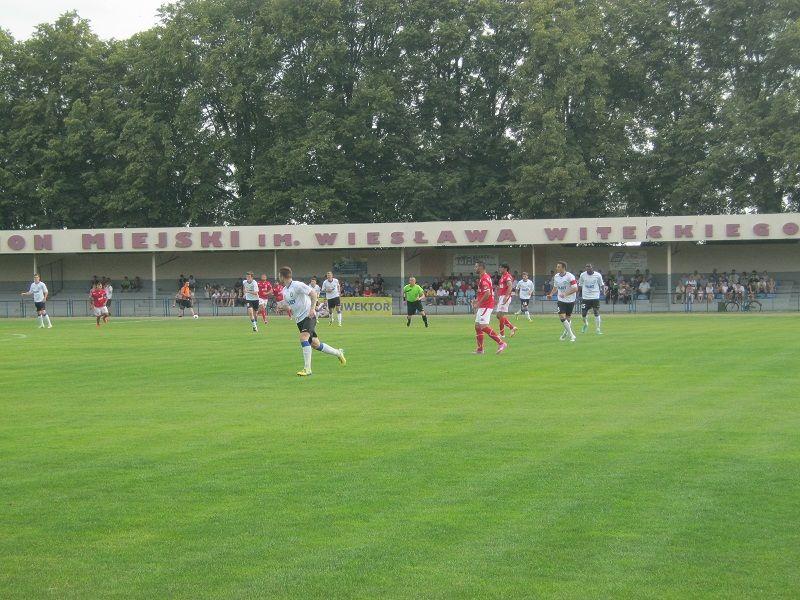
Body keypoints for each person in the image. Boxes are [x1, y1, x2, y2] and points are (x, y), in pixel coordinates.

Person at [278, 266, 346, 376]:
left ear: (282, 276)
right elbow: (290, 307)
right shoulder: (284, 290)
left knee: (303, 338)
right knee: (315, 344)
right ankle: (338, 353)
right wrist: (282, 308)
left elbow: (313, 294)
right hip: (299, 319)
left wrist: (312, 309)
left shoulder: (297, 285)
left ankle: (307, 369)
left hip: (308, 316)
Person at [471, 261, 507, 355]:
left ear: (481, 267)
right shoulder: (483, 278)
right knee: (477, 326)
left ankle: (501, 343)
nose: (475, 268)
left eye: (476, 267)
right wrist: (476, 300)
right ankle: (480, 349)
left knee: (483, 326)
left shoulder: (484, 279)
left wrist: (478, 303)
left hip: (486, 305)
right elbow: (483, 292)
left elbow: (487, 293)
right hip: (484, 305)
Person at [546, 261, 578, 342]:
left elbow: (575, 288)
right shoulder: (556, 276)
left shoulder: (570, 276)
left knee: (568, 319)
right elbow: (555, 287)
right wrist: (551, 294)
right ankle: (572, 335)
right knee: (562, 317)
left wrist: (565, 294)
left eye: (558, 267)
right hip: (561, 300)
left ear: (563, 268)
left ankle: (565, 333)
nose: (557, 268)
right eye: (557, 267)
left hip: (570, 300)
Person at [578, 263, 604, 335]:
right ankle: (586, 324)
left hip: (595, 296)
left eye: (589, 267)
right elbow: (580, 285)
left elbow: (602, 284)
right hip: (585, 297)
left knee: (596, 312)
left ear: (592, 268)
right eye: (587, 268)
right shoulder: (582, 275)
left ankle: (598, 329)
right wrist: (577, 294)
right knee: (583, 314)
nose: (588, 269)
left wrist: (603, 292)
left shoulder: (598, 275)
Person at [495, 263, 518, 337]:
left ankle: (502, 334)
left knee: (500, 315)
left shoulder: (507, 276)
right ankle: (512, 327)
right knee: (499, 316)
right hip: (502, 296)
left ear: (505, 268)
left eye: (501, 267)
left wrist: (506, 296)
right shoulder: (502, 276)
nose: (499, 269)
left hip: (505, 296)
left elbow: (510, 286)